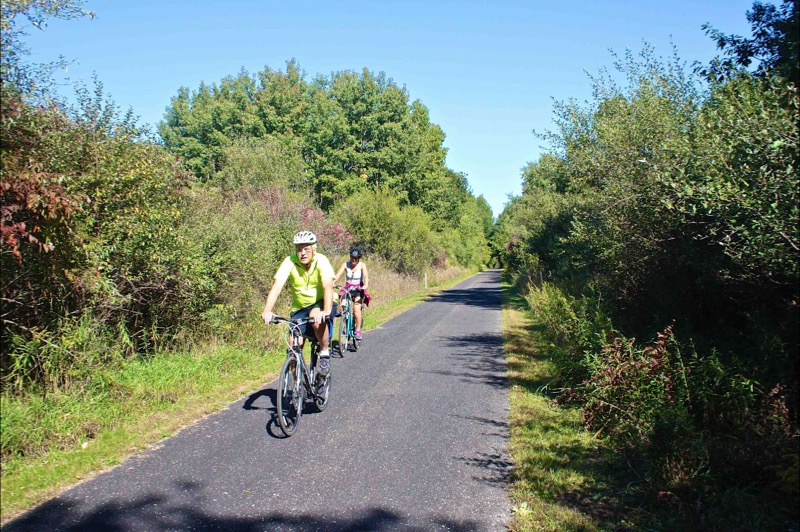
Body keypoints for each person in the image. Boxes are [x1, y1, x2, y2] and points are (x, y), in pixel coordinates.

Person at [262, 231, 336, 375]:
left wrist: (326, 311)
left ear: (314, 250)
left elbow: (328, 286)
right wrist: (267, 310)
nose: (302, 253)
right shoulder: (290, 261)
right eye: (299, 249)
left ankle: (325, 352)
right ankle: (298, 387)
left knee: (316, 318)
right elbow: (277, 287)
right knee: (293, 347)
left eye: (306, 249)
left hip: (321, 302)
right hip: (300, 308)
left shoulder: (321, 260)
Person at [334, 247, 370, 340]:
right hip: (348, 289)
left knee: (356, 309)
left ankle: (357, 330)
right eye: (352, 258)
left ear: (359, 258)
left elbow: (365, 276)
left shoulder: (362, 265)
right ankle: (345, 325)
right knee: (343, 306)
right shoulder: (345, 265)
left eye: (356, 258)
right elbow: (337, 275)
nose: (353, 260)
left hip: (358, 289)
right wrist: (332, 283)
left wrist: (365, 285)